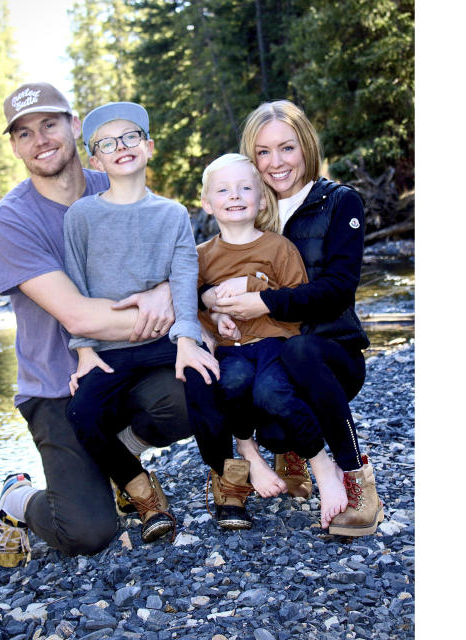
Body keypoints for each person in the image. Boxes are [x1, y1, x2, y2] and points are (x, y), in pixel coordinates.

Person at [0, 83, 194, 571]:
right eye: (25, 133)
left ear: (76, 126)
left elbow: (178, 252)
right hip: (57, 386)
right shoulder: (10, 222)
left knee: (191, 391)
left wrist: (168, 292)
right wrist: (169, 309)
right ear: (15, 146)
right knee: (88, 533)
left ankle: (118, 458)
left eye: (50, 124)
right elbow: (77, 316)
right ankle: (16, 498)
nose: (41, 139)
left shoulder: (115, 182)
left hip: (125, 367)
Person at [62, 102, 252, 539]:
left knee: (205, 377)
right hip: (110, 345)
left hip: (165, 338)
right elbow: (75, 284)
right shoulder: (81, 217)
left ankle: (226, 481)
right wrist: (85, 351)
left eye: (130, 137)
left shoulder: (171, 214)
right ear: (96, 160)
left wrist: (188, 339)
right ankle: (142, 492)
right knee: (82, 412)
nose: (121, 147)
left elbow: (183, 276)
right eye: (107, 143)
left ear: (148, 147)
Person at [205, 100, 384, 536]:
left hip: (329, 353)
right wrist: (212, 303)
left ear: (305, 146)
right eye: (263, 153)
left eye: (286, 148)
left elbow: (339, 288)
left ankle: (356, 480)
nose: (276, 162)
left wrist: (264, 303)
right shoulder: (250, 204)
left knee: (300, 351)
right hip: (267, 354)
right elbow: (210, 270)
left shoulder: (340, 202)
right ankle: (288, 453)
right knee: (245, 382)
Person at [195, 152, 353, 530]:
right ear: (206, 202)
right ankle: (249, 455)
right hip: (232, 349)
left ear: (262, 199)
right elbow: (191, 307)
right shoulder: (200, 256)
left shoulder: (278, 248)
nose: (234, 196)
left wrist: (254, 287)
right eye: (223, 190)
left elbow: (298, 301)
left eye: (245, 188)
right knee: (230, 383)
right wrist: (215, 316)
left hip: (275, 342)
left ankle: (323, 466)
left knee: (273, 393)